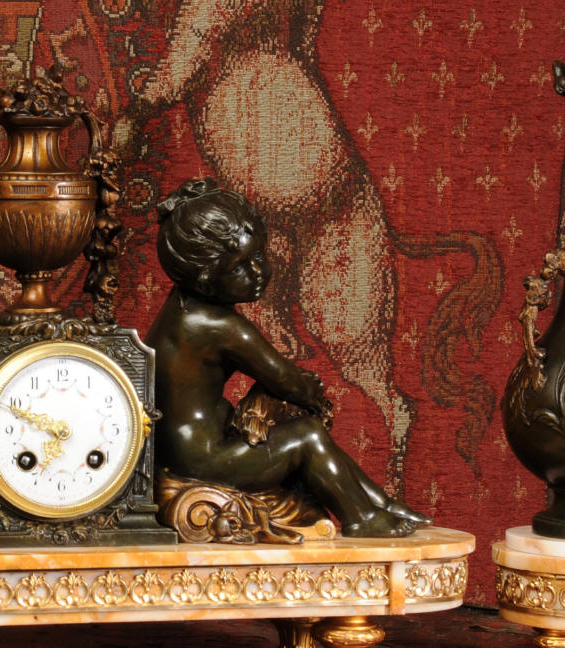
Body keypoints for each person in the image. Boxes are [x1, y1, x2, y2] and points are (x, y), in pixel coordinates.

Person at [146, 179, 429, 538]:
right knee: (307, 437)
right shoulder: (220, 327)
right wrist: (311, 392)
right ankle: (362, 517)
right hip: (203, 461)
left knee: (302, 432)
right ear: (204, 280)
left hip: (184, 451)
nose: (259, 272)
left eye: (258, 256)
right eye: (239, 267)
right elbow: (287, 381)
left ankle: (381, 502)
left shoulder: (180, 309)